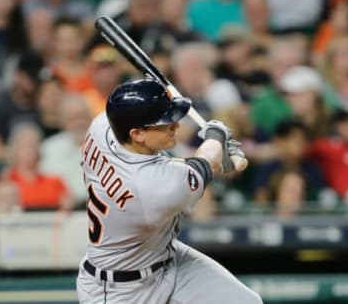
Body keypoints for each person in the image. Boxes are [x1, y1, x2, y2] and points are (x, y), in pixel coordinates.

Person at [76, 78, 261, 304]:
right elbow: (204, 163)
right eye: (165, 122)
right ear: (137, 134)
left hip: (164, 256)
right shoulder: (151, 186)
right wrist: (216, 135)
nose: (176, 126)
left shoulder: (103, 128)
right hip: (121, 292)